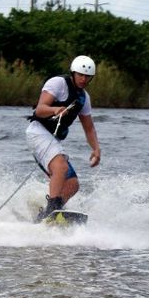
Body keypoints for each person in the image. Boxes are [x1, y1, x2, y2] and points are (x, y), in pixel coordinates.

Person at [25, 55, 102, 221]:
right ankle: (52, 211)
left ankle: (46, 215)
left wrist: (96, 148)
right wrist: (54, 110)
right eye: (80, 75)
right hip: (38, 132)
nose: (83, 79)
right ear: (73, 73)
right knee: (60, 166)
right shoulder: (58, 83)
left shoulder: (84, 98)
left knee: (72, 184)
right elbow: (40, 109)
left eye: (87, 76)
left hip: (53, 140)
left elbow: (89, 128)